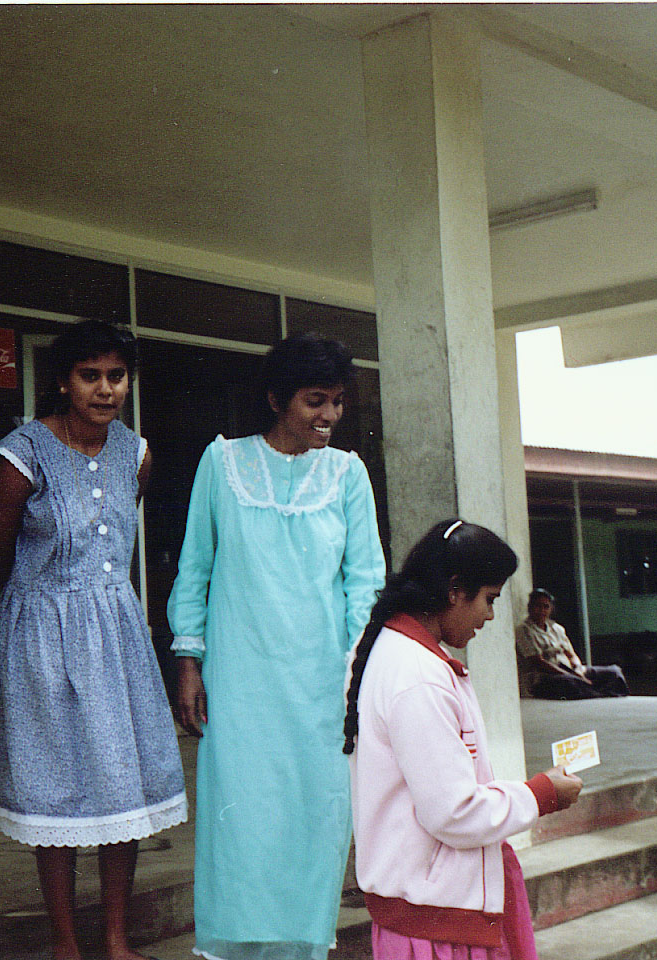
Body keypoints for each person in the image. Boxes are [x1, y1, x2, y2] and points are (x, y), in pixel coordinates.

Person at [167, 332, 387, 960]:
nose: (329, 416)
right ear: (275, 398)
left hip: (322, 686)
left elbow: (365, 581)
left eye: (338, 403)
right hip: (239, 684)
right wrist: (190, 664)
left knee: (315, 821)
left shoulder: (348, 474)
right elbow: (196, 568)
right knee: (241, 824)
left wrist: (358, 675)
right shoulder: (223, 462)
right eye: (316, 400)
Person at [0, 320, 186, 960]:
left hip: (117, 636)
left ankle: (117, 937)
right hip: (44, 634)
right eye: (89, 376)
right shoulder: (24, 454)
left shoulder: (137, 453)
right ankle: (67, 942)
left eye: (116, 376)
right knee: (57, 789)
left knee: (120, 785)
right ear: (63, 382)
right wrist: (52, 596)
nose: (105, 389)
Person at [344, 521, 584, 960]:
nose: (491, 616)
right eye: (489, 599)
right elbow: (452, 813)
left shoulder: (398, 652)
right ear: (455, 589)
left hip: (427, 904)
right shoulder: (418, 677)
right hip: (436, 923)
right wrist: (541, 794)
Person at [515, 588, 628, 699]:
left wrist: (578, 669)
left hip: (571, 671)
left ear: (551, 609)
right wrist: (569, 674)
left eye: (546, 607)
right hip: (547, 677)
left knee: (614, 671)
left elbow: (571, 654)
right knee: (569, 683)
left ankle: (594, 690)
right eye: (538, 606)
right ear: (530, 608)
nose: (542, 610)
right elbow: (538, 662)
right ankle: (598, 691)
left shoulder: (557, 629)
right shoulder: (524, 630)